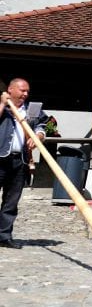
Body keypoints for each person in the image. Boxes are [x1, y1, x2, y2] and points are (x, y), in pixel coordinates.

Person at [0, 79, 48, 249]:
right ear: (10, 90)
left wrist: (39, 136)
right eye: (22, 91)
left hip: (19, 160)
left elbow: (43, 125)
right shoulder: (2, 106)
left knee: (11, 201)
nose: (25, 94)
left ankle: (4, 235)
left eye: (27, 91)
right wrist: (2, 103)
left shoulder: (31, 110)